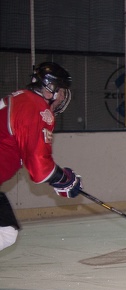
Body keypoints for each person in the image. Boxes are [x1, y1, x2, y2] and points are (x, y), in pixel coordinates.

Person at [0, 62, 82, 251]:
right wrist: (64, 179)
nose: (63, 97)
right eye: (61, 91)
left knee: (6, 232)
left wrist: (61, 180)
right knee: (5, 233)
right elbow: (40, 169)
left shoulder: (22, 99)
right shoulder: (36, 108)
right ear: (50, 88)